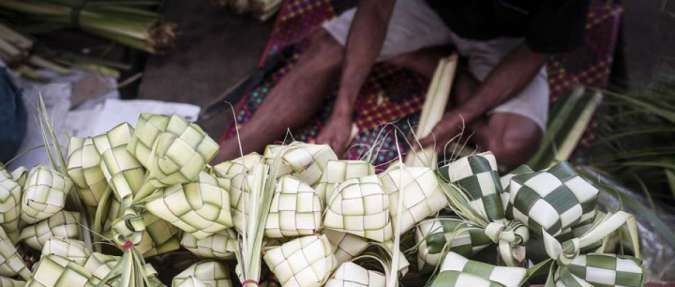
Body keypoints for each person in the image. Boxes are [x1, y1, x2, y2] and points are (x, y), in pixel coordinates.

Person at [215, 0, 590, 168]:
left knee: (509, 143)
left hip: (507, 39)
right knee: (326, 49)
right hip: (429, 8)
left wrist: (461, 115)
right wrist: (343, 108)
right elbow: (376, 8)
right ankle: (234, 148)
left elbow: (534, 52)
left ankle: (441, 70)